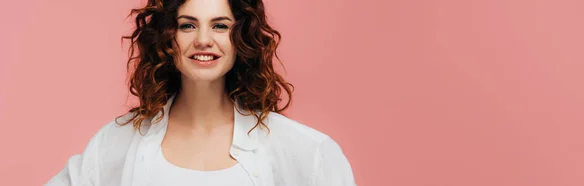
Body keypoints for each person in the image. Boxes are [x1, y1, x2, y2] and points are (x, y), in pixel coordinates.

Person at [45, 0, 355, 185]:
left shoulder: (306, 151)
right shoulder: (117, 142)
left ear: (241, 37)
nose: (204, 40)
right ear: (167, 37)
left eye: (220, 26)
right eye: (187, 26)